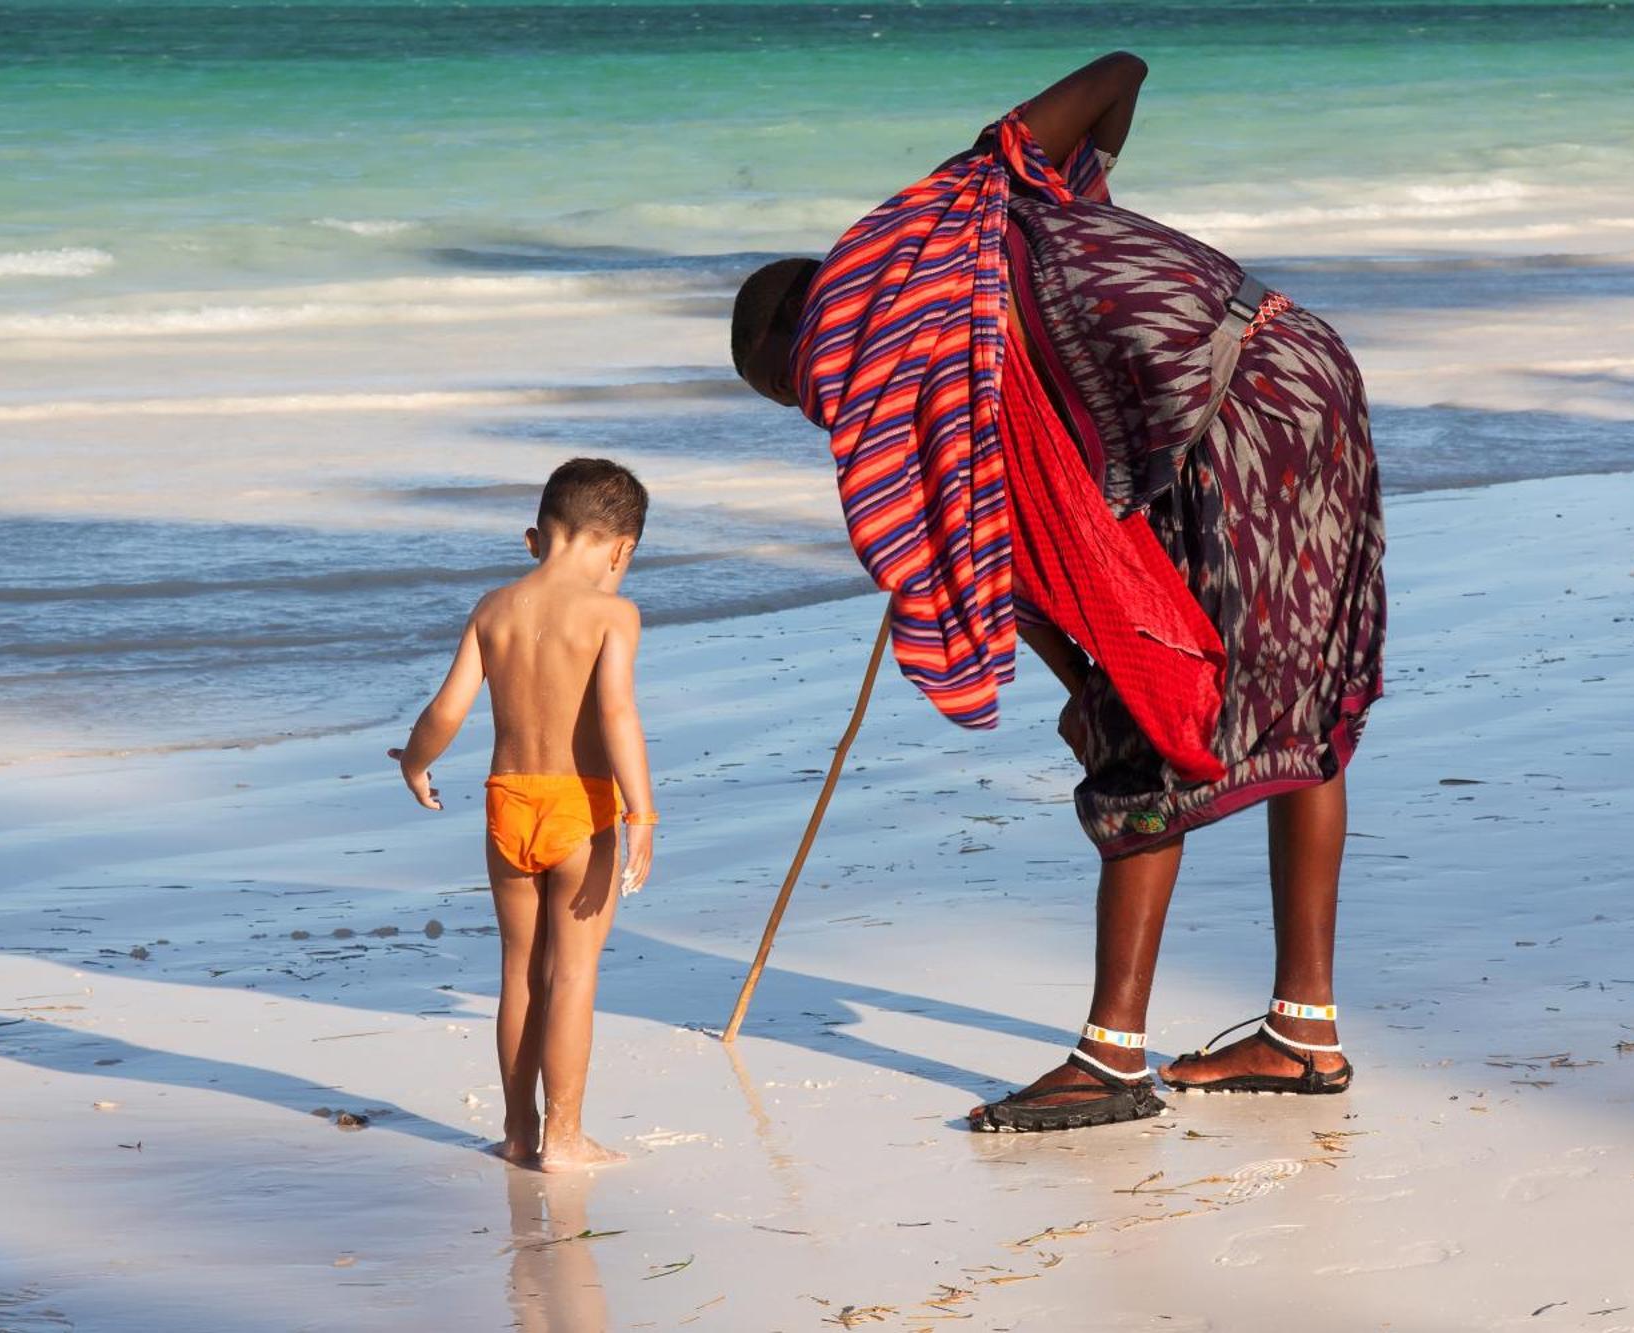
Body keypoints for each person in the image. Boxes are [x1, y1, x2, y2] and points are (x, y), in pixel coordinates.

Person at [732, 53, 1386, 1132]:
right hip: (1300, 369)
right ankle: (1300, 1027)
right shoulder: (970, 269)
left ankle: (1110, 1057)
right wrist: (1066, 193)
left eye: (802, 384)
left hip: (1236, 421)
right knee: (1299, 712)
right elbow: (1027, 535)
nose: (828, 404)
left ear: (807, 323)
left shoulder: (914, 262)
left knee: (1148, 718)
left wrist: (1037, 177)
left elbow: (1119, 66)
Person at [389, 457, 658, 1168]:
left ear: (534, 539)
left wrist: (415, 763)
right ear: (620, 549)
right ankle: (564, 1137)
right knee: (570, 976)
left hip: (507, 803)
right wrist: (643, 813)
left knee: (517, 972)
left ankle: (516, 1132)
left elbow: (447, 708)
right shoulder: (613, 613)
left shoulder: (493, 608)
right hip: (582, 806)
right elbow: (617, 711)